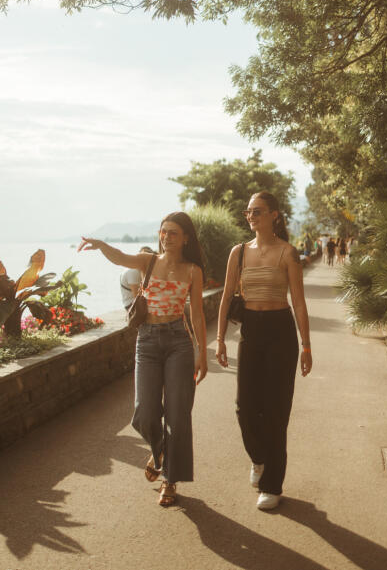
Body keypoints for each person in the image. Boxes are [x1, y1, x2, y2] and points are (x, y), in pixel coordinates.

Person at [78, 211, 207, 507]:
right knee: (145, 411)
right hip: (147, 341)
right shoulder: (148, 261)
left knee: (177, 414)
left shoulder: (193, 271)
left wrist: (201, 352)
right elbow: (120, 258)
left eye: (173, 233)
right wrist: (101, 245)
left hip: (178, 342)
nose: (166, 237)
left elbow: (198, 314)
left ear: (185, 238)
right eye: (163, 231)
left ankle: (170, 480)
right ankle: (160, 450)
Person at [215, 191, 312, 511]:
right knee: (244, 407)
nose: (251, 216)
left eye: (257, 211)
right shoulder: (239, 252)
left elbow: (299, 302)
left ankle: (272, 485)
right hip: (251, 330)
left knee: (276, 411)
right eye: (249, 212)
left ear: (274, 215)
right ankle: (259, 458)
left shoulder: (288, 253)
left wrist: (306, 345)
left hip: (280, 330)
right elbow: (226, 296)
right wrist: (220, 339)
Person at [120, 246, 155, 311]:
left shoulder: (139, 269)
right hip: (131, 305)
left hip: (136, 302)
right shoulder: (134, 271)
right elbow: (137, 297)